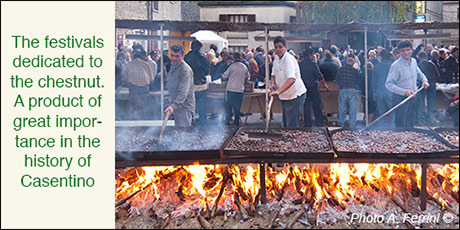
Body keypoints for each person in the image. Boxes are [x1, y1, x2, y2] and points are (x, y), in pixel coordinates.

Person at [385, 40, 430, 128]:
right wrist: (404, 91)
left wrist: (425, 80)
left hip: (413, 97)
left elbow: (419, 73)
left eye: (408, 50)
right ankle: (400, 139)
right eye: (403, 50)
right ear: (399, 51)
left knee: (411, 122)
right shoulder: (396, 65)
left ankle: (411, 139)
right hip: (400, 99)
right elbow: (389, 84)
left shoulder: (413, 61)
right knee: (401, 124)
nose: (406, 53)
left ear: (412, 50)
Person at [269, 36, 307, 128]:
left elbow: (291, 79)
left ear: (285, 47)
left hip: (294, 95)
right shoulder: (276, 59)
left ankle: (292, 141)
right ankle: (287, 140)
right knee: (286, 123)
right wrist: (273, 84)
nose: (278, 49)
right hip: (285, 95)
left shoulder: (288, 59)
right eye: (276, 47)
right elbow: (273, 74)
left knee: (292, 125)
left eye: (280, 47)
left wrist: (278, 91)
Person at [165, 44, 195, 127]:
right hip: (177, 106)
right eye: (172, 55)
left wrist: (173, 106)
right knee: (178, 133)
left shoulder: (185, 70)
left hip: (184, 108)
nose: (174, 58)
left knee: (183, 134)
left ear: (183, 56)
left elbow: (183, 91)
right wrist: (172, 95)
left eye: (177, 56)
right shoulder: (173, 66)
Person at [299, 48, 329, 127]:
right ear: (309, 55)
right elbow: (319, 76)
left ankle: (308, 124)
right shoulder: (313, 64)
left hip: (304, 88)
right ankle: (319, 124)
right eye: (312, 55)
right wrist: (325, 85)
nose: (313, 56)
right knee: (317, 107)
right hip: (313, 88)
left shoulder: (300, 64)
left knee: (306, 107)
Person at [122, 48, 154, 120]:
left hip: (134, 88)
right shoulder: (146, 64)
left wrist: (126, 82)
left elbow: (124, 77)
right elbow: (152, 78)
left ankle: (133, 120)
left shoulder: (129, 64)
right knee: (144, 106)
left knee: (133, 105)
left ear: (133, 58)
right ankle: (143, 120)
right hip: (145, 88)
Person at [184, 40, 209, 125]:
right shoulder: (202, 58)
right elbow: (207, 71)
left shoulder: (186, 57)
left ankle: (190, 121)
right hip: (201, 84)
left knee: (189, 104)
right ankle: (203, 121)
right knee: (201, 104)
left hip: (189, 84)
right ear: (199, 48)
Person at [222, 53, 249, 126]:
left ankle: (227, 121)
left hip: (231, 89)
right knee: (237, 107)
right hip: (240, 89)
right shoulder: (244, 67)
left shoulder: (231, 66)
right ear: (240, 58)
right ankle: (236, 122)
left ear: (234, 58)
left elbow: (224, 76)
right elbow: (247, 78)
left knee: (229, 106)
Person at [372, 48, 395, 127]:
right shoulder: (392, 66)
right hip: (390, 91)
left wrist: (374, 92)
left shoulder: (376, 67)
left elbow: (373, 81)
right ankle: (393, 129)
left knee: (382, 113)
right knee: (392, 112)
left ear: (381, 57)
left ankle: (382, 130)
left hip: (380, 91)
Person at [416, 51, 440, 125]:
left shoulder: (418, 65)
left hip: (421, 85)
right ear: (426, 57)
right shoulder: (432, 64)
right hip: (432, 83)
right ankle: (429, 120)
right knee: (431, 102)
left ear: (419, 58)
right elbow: (438, 75)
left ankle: (419, 120)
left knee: (420, 103)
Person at [336, 58, 360, 128]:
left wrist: (340, 84)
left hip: (342, 89)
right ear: (352, 63)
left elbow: (337, 78)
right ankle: (352, 124)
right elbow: (357, 80)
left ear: (347, 62)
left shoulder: (341, 69)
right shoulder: (355, 70)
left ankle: (341, 123)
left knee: (342, 107)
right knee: (352, 108)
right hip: (352, 89)